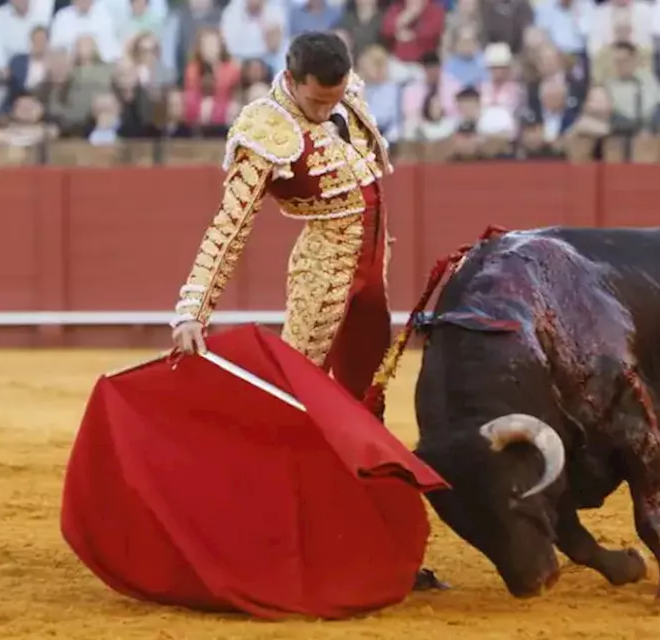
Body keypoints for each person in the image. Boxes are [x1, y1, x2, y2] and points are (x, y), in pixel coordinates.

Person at [170, 31, 447, 592]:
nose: (329, 108)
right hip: (325, 279)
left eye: (337, 96)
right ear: (292, 80)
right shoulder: (264, 129)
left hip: (371, 279)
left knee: (365, 411)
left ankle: (378, 547)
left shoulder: (345, 94)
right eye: (318, 100)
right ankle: (266, 542)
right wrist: (192, 309)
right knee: (302, 413)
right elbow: (230, 225)